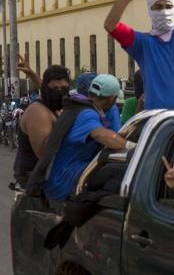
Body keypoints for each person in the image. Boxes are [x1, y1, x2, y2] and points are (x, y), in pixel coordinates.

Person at [43, 74, 132, 202]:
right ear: (112, 99)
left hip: (67, 174)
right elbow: (101, 134)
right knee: (120, 172)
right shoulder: (86, 113)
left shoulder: (80, 107)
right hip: (65, 179)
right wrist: (133, 147)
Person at [13, 65, 71, 187]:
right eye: (55, 88)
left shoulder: (55, 107)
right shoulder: (38, 112)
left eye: (64, 88)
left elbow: (46, 88)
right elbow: (44, 153)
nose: (60, 92)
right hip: (34, 177)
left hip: (50, 173)